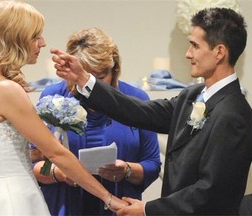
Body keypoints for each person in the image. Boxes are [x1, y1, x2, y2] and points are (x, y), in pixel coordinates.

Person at [51, 7, 252, 215]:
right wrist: (84, 79)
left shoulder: (234, 113)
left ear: (219, 52)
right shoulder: (192, 95)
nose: (187, 53)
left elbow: (212, 192)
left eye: (194, 45)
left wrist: (148, 210)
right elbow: (139, 111)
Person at [0, 1, 127, 215]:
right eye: (36, 36)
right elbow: (57, 153)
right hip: (13, 200)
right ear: (17, 39)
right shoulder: (6, 89)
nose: (43, 43)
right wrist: (108, 198)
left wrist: (31, 155)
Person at [31, 27, 161, 216]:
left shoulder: (135, 99)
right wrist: (60, 173)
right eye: (81, 76)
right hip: (65, 206)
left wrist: (125, 170)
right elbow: (33, 162)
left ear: (114, 69)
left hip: (118, 206)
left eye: (99, 78)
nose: (87, 85)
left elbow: (152, 164)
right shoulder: (54, 97)